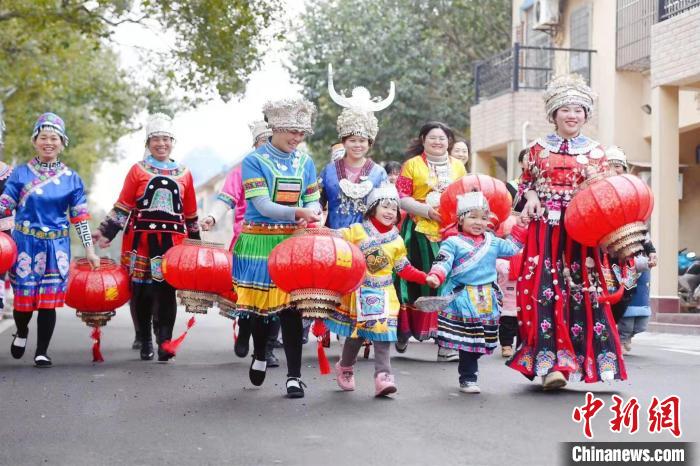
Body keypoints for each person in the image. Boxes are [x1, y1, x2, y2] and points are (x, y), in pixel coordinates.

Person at [506, 74, 627, 390]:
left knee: (581, 295)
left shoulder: (598, 153)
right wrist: (531, 197)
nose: (572, 115)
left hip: (581, 237)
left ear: (586, 115)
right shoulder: (536, 149)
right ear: (553, 114)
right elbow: (525, 185)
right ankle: (550, 366)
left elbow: (602, 197)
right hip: (544, 232)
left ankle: (585, 361)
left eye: (579, 110)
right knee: (544, 292)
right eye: (565, 109)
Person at [93, 113, 200, 362]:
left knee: (166, 292)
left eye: (166, 139)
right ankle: (145, 340)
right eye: (155, 139)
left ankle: (165, 342)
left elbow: (190, 211)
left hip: (173, 244)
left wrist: (195, 243)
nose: (161, 144)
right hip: (141, 240)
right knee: (142, 292)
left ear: (173, 141)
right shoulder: (137, 170)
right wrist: (107, 231)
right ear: (147, 143)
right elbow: (124, 205)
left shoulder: (184, 173)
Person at [234, 96, 321, 398]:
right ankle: (260, 354)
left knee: (292, 310)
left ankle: (294, 376)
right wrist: (299, 212)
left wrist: (312, 212)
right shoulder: (254, 160)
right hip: (260, 240)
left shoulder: (305, 161)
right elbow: (261, 204)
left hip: (294, 242)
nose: (297, 139)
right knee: (261, 310)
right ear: (275, 128)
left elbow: (311, 196)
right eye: (292, 133)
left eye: (301, 134)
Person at [3, 113, 100, 367]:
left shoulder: (72, 179)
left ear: (62, 142)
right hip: (25, 243)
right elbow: (5, 204)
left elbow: (79, 218)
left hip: (56, 246)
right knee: (24, 303)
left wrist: (90, 249)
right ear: (35, 140)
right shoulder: (20, 174)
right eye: (43, 137)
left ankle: (42, 351)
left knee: (48, 301)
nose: (49, 142)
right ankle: (22, 330)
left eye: (54, 138)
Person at [329, 183, 428, 396]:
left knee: (383, 336)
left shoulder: (397, 240)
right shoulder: (356, 231)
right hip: (359, 292)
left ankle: (383, 377)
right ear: (372, 208)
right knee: (356, 336)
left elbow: (403, 268)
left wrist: (425, 278)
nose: (390, 212)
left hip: (385, 294)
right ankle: (345, 367)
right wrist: (316, 229)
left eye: (394, 208)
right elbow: (334, 240)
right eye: (385, 206)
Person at [200, 120, 282, 367]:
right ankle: (244, 331)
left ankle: (266, 349)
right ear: (255, 144)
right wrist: (213, 216)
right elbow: (225, 199)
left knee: (278, 297)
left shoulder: (288, 169)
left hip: (281, 243)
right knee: (248, 295)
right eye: (262, 141)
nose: (267, 146)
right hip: (249, 241)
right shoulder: (242, 170)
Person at [426, 192, 524, 393]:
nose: (479, 222)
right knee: (468, 339)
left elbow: (513, 248)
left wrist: (521, 224)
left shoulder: (493, 241)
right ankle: (468, 377)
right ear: (460, 219)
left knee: (484, 339)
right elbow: (443, 262)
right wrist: (436, 275)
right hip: (463, 298)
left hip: (487, 299)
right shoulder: (452, 243)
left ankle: (469, 368)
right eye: (473, 217)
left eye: (484, 217)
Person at [395, 121, 466, 360]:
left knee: (449, 284)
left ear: (449, 142)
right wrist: (427, 211)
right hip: (417, 231)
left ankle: (445, 341)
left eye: (443, 138)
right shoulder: (412, 165)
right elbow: (401, 197)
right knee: (416, 281)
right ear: (423, 140)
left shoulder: (458, 167)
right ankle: (404, 330)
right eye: (433, 137)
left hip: (451, 233)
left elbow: (466, 195)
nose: (438, 142)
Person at [319, 64, 392, 229]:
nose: (357, 145)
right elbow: (316, 202)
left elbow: (388, 208)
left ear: (369, 143)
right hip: (334, 239)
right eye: (352, 140)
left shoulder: (379, 173)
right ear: (343, 142)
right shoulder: (329, 171)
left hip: (369, 240)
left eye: (362, 141)